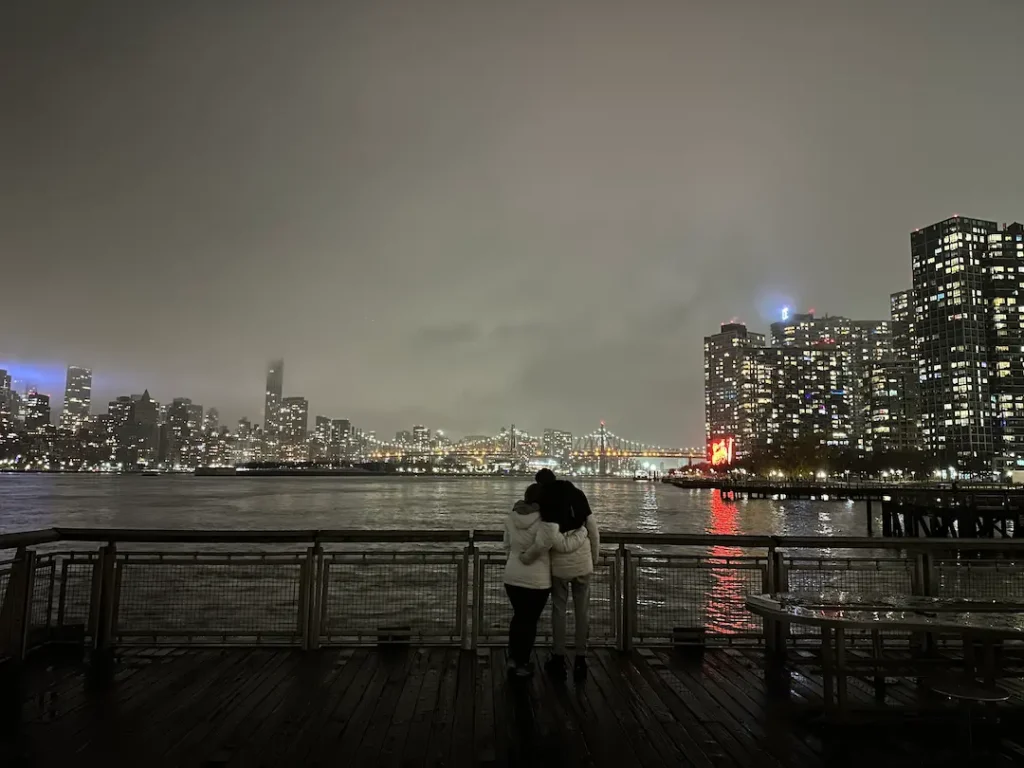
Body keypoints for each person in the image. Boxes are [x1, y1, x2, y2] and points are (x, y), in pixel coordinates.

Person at [502, 483, 588, 678]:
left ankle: (513, 659)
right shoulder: (547, 520)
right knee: (529, 621)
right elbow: (548, 544)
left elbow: (506, 545)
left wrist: (516, 560)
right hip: (537, 581)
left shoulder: (511, 517)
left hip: (512, 577)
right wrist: (583, 531)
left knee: (518, 618)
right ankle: (522, 664)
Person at [525, 468, 600, 682]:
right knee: (582, 611)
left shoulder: (544, 500)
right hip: (583, 563)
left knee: (559, 611)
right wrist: (593, 558)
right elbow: (593, 529)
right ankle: (581, 658)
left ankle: (558, 657)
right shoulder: (577, 494)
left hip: (559, 565)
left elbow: (544, 536)